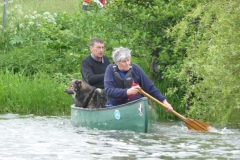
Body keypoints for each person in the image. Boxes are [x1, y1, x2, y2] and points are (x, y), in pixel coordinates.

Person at [104, 47, 173, 111]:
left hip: (135, 104)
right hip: (116, 105)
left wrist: (164, 102)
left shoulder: (136, 69)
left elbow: (150, 87)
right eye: (124, 61)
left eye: (128, 60)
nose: (127, 63)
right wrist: (127, 92)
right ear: (117, 62)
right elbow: (109, 90)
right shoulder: (110, 69)